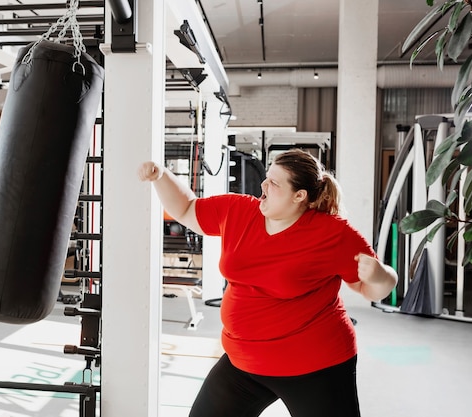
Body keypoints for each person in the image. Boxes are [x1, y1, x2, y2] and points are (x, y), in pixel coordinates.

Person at [138, 149, 398, 417]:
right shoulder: (239, 211)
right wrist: (162, 176)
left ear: (300, 196)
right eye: (266, 178)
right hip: (244, 362)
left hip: (315, 366)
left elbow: (374, 288)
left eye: (274, 183)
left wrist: (380, 275)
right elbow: (187, 209)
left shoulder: (331, 232)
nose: (264, 185)